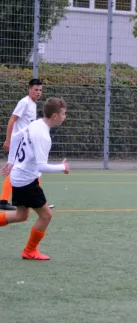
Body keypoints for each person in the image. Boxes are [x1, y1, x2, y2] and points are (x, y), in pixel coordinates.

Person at [0, 97, 69, 260]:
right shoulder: (43, 136)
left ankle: (30, 250)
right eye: (63, 114)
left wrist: (11, 162)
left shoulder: (36, 123)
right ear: (54, 116)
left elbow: (16, 137)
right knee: (46, 216)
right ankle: (30, 251)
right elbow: (41, 166)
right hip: (26, 181)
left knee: (21, 215)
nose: (65, 117)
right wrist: (62, 167)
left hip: (18, 176)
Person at [1, 79, 43, 211]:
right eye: (36, 90)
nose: (38, 92)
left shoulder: (33, 104)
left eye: (40, 90)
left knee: (32, 168)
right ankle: (3, 200)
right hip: (19, 142)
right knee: (14, 168)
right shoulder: (24, 102)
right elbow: (12, 120)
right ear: (29, 89)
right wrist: (8, 140)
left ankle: (38, 200)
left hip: (27, 143)